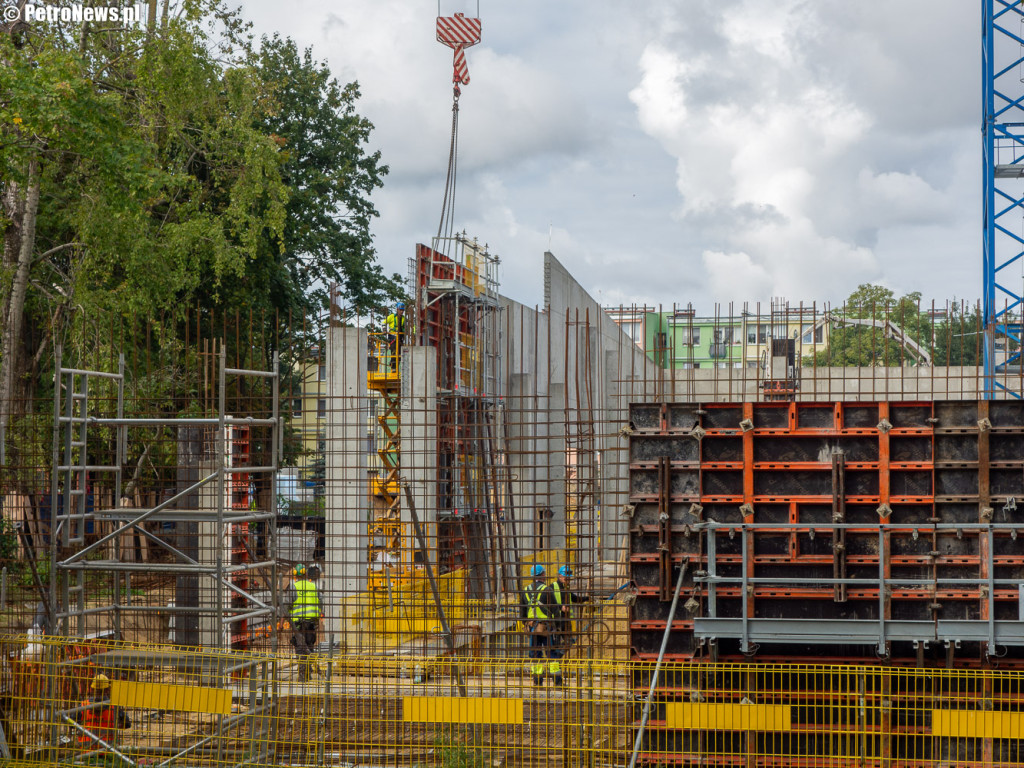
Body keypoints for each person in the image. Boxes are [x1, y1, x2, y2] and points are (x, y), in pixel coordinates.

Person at [547, 565, 590, 678]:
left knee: (569, 641)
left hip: (565, 622)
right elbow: (547, 602)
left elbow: (575, 598)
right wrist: (560, 607)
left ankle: (559, 656)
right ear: (560, 576)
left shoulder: (566, 589)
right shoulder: (552, 587)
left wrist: (586, 599)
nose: (568, 580)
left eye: (569, 579)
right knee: (554, 646)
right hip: (556, 622)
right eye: (566, 578)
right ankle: (555, 672)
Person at [521, 564, 558, 687]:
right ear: (542, 574)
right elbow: (555, 610)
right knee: (551, 653)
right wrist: (557, 626)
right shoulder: (547, 590)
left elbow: (522, 613)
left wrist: (527, 624)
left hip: (533, 628)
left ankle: (537, 682)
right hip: (546, 627)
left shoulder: (525, 591)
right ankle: (557, 682)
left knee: (535, 653)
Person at [283, 564, 321, 681]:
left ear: (295, 576)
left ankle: (302, 674)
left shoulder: (294, 586)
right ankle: (308, 673)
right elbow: (320, 603)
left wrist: (283, 620)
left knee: (300, 648)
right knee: (309, 646)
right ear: (306, 574)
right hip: (311, 622)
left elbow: (287, 605)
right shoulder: (313, 586)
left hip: (299, 624)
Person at [77, 673, 130, 750]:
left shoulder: (83, 705)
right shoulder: (114, 707)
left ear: (92, 689)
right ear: (107, 690)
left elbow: (72, 723)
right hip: (109, 752)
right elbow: (127, 724)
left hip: (87, 752)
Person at [385, 303, 406, 372]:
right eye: (400, 310)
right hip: (393, 337)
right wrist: (384, 329)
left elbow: (410, 326)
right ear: (397, 309)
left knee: (400, 354)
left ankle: (394, 365)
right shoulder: (392, 317)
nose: (402, 311)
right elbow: (384, 322)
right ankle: (393, 368)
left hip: (400, 338)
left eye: (403, 310)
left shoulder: (403, 318)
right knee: (394, 351)